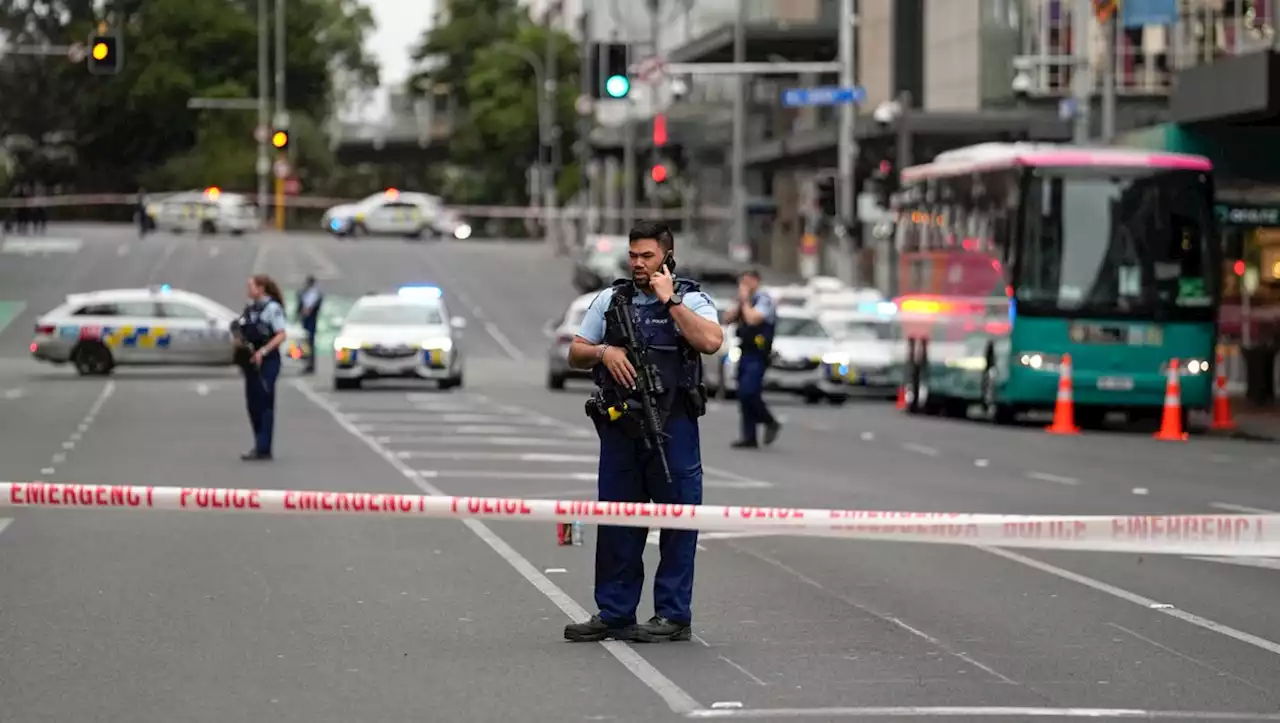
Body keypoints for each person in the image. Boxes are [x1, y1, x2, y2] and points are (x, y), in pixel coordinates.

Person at [563, 221, 724, 644]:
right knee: (617, 521)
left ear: (667, 257)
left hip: (674, 426)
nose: (637, 263)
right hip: (621, 427)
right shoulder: (610, 300)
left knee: (678, 522)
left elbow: (711, 341)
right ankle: (615, 612)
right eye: (633, 255)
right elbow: (576, 351)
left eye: (647, 256)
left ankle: (672, 616)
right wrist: (604, 351)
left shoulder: (692, 298)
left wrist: (669, 302)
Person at [723, 269, 781, 448]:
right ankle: (749, 436)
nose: (744, 286)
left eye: (747, 282)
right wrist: (739, 302)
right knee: (743, 394)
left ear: (756, 281)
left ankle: (770, 421)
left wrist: (745, 300)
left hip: (758, 354)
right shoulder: (744, 300)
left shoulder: (764, 300)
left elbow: (753, 319)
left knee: (749, 391)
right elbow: (727, 318)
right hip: (745, 351)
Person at [232, 274, 288, 461]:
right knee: (253, 404)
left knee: (265, 403)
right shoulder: (250, 310)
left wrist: (263, 352)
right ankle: (258, 442)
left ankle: (264, 447)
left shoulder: (272, 309)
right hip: (251, 360)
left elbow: (281, 334)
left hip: (267, 360)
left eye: (251, 286)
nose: (248, 290)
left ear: (261, 288)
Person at [295, 275, 323, 374]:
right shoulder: (303, 293)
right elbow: (299, 306)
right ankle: (305, 363)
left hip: (311, 322)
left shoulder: (316, 295)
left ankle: (310, 364)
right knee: (304, 343)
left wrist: (309, 310)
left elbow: (317, 306)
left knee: (310, 343)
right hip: (305, 322)